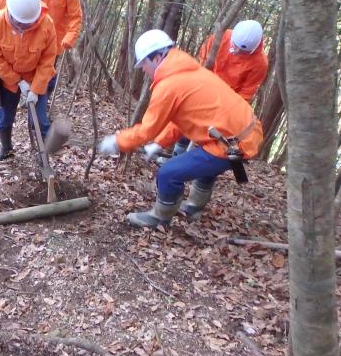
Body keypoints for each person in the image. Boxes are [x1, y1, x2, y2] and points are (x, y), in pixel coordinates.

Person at [98, 29, 262, 228]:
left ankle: (160, 217)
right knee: (205, 166)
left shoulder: (170, 84)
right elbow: (182, 119)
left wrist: (117, 141)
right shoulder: (186, 71)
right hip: (244, 135)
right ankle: (194, 206)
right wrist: (159, 144)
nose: (143, 70)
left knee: (168, 173)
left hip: (232, 144)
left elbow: (147, 129)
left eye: (144, 64)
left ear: (158, 57)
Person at [161, 19, 269, 157]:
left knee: (212, 137)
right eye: (234, 46)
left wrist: (225, 110)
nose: (236, 51)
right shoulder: (221, 37)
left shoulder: (260, 63)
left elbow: (246, 93)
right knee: (187, 119)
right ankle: (177, 155)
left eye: (241, 51)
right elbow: (204, 60)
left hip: (226, 103)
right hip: (204, 87)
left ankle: (200, 172)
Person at [0, 0, 57, 161]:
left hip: (36, 78)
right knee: (3, 117)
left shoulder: (47, 25)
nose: (22, 28)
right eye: (19, 23)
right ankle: (6, 148)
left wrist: (35, 89)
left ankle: (43, 155)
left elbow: (48, 60)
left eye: (27, 24)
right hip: (7, 79)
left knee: (40, 120)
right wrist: (17, 81)